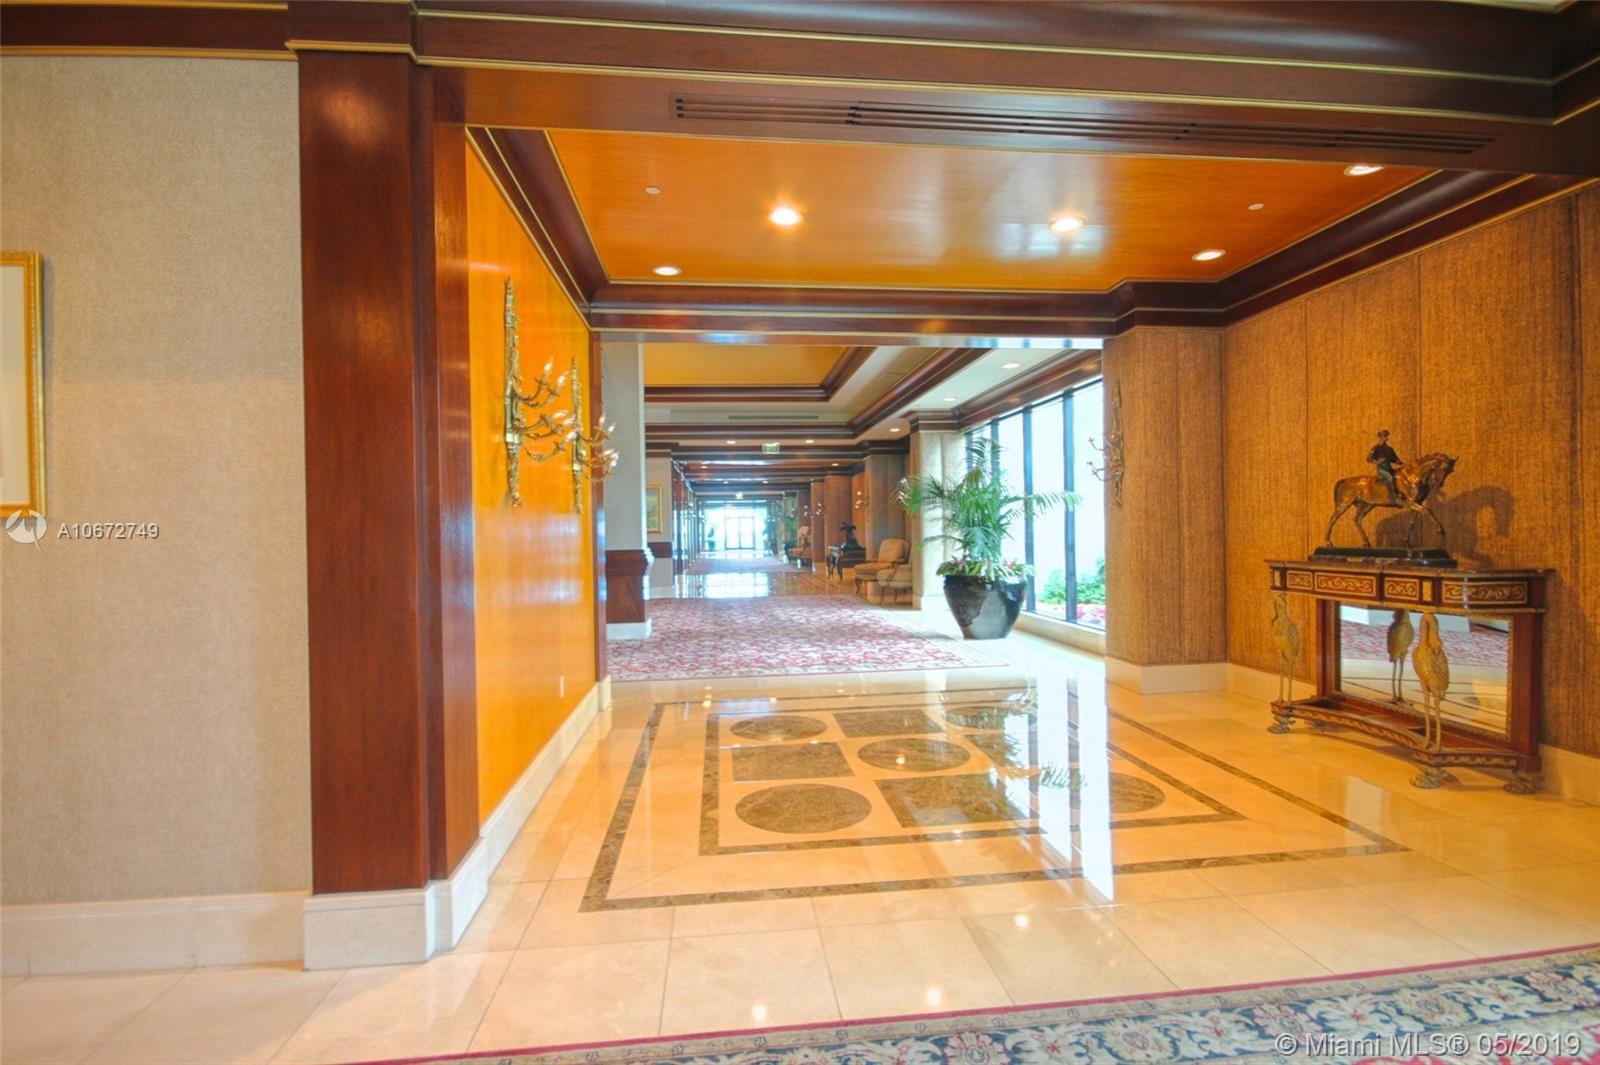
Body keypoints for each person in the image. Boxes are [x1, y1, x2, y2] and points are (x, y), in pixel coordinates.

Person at [1367, 429, 1404, 500]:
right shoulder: (1376, 448)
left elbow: (1395, 459)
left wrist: (1401, 463)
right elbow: (1369, 459)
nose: (1386, 437)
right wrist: (1376, 461)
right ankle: (1394, 494)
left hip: (1389, 468)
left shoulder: (1389, 449)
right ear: (1380, 437)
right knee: (1390, 478)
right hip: (1382, 469)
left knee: (1399, 476)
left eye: (1386, 436)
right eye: (1384, 436)